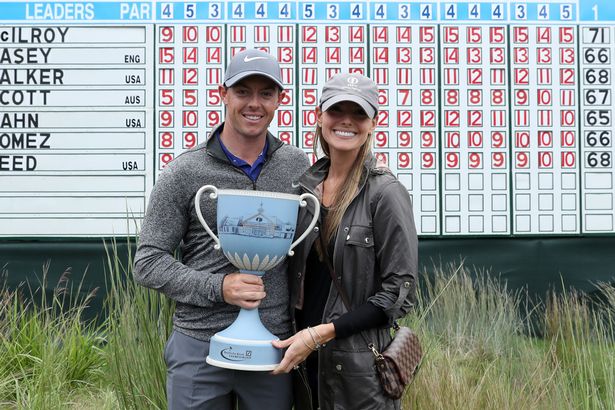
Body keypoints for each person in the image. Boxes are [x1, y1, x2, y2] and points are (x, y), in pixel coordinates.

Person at [134, 49, 310, 410]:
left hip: (273, 345)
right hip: (198, 344)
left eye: (265, 93)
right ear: (223, 94)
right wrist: (219, 287)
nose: (254, 103)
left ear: (281, 99)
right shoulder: (185, 171)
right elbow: (147, 261)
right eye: (243, 91)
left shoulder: (295, 165)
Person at [271, 72, 418, 410]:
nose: (346, 121)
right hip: (303, 363)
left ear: (373, 123)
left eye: (359, 114)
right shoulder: (303, 190)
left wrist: (321, 333)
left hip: (357, 373)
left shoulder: (385, 193)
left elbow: (398, 295)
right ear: (319, 116)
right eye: (337, 111)